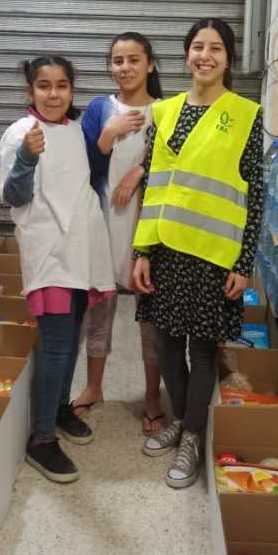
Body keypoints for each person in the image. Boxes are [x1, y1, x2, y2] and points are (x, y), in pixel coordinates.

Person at [133, 18, 263, 489]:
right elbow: (155, 185)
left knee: (203, 350)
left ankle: (192, 434)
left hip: (213, 253)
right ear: (186, 54)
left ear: (228, 59)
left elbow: (255, 192)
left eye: (215, 48)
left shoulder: (245, 114)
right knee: (167, 345)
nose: (204, 56)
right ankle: (184, 420)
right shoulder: (164, 111)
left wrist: (244, 264)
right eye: (197, 47)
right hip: (166, 248)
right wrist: (142, 250)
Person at [0, 55, 115, 484]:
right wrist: (27, 159)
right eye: (44, 86)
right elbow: (13, 196)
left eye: (61, 85)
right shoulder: (20, 133)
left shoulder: (73, 131)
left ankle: (60, 408)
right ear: (30, 90)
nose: (53, 94)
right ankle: (42, 438)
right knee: (57, 345)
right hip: (50, 255)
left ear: (71, 90)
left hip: (81, 252)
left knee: (73, 336)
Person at [75, 32, 164, 435]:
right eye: (117, 60)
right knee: (99, 309)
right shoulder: (100, 109)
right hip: (103, 222)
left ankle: (151, 396)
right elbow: (83, 169)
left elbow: (176, 166)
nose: (124, 68)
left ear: (150, 64)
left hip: (147, 228)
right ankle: (94, 387)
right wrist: (107, 135)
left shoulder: (166, 111)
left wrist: (140, 171)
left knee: (150, 316)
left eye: (133, 59)